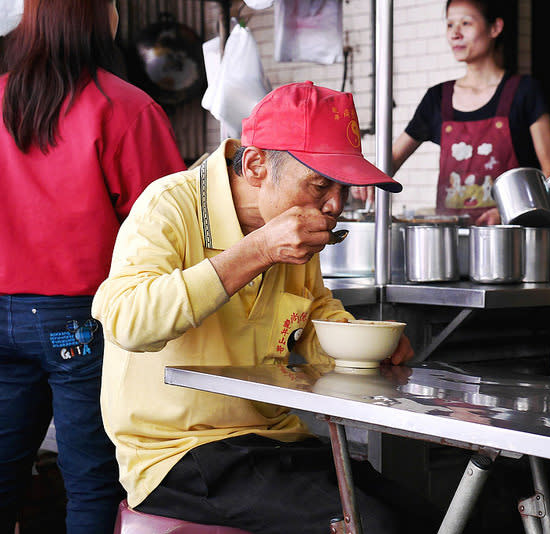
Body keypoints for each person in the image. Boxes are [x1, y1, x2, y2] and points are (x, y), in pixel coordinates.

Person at [92, 81, 439, 534]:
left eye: (343, 189)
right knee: (372, 525)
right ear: (256, 165)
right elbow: (129, 322)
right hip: (178, 451)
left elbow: (315, 313)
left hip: (274, 438)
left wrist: (362, 343)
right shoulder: (167, 207)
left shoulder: (292, 235)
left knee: (429, 516)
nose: (334, 205)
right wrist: (257, 251)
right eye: (320, 185)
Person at [0, 1, 185, 532]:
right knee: (92, 483)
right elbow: (168, 225)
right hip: (83, 319)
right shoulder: (124, 107)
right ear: (97, 17)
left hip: (4, 313)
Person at [352, 0, 550, 225]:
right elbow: (392, 158)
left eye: (466, 23)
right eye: (450, 25)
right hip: (449, 240)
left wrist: (511, 210)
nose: (455, 34)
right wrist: (367, 178)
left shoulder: (524, 91)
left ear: (495, 28)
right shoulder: (438, 97)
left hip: (508, 238)